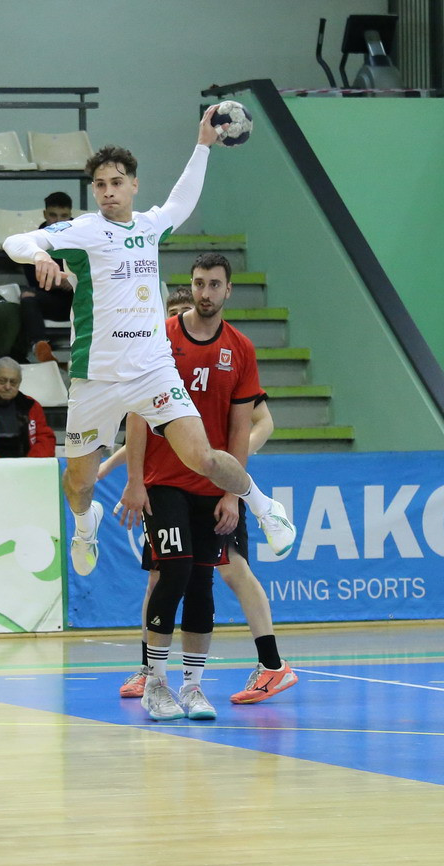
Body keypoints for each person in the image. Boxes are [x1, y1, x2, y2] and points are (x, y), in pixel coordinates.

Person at [1, 108, 297, 579]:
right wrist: (39, 254)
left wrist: (203, 145)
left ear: (134, 185)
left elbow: (182, 200)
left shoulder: (150, 226)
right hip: (96, 378)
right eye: (100, 185)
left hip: (152, 371)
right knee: (79, 483)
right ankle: (85, 526)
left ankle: (265, 508)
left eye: (117, 182)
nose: (108, 191)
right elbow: (14, 241)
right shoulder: (83, 231)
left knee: (203, 457)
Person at [109, 265, 296, 719]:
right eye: (198, 284)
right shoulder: (159, 338)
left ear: (228, 290)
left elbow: (243, 427)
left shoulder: (240, 348)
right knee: (170, 573)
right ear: (189, 287)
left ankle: (193, 687)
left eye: (214, 284)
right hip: (164, 480)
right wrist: (133, 480)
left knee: (204, 581)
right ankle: (155, 681)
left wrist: (231, 494)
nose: (205, 292)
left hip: (213, 487)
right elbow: (137, 414)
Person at [19, 192, 76, 363]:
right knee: (28, 298)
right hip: (52, 300)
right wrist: (61, 281)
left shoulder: (82, 236)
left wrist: (74, 280)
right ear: (45, 214)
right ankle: (40, 346)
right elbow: (35, 280)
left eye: (64, 216)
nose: (58, 221)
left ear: (70, 215)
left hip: (79, 298)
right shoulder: (34, 241)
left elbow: (97, 271)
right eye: (53, 215)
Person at [0, 356, 55, 458]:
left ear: (19, 383)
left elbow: (45, 439)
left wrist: (31, 462)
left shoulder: (31, 406)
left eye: (13, 382)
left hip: (26, 463)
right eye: (2, 381)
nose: (7, 387)